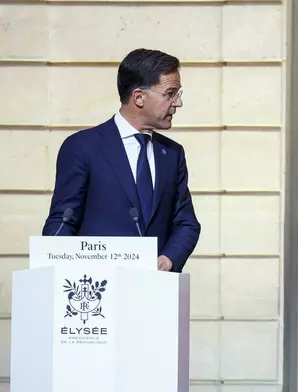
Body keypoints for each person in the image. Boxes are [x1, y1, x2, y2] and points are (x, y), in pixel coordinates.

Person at [42, 48, 201, 273]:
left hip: (154, 290)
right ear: (138, 97)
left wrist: (168, 259)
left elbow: (186, 223)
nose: (178, 103)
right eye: (170, 93)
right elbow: (63, 219)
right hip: (95, 290)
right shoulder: (83, 147)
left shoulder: (172, 154)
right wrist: (56, 272)